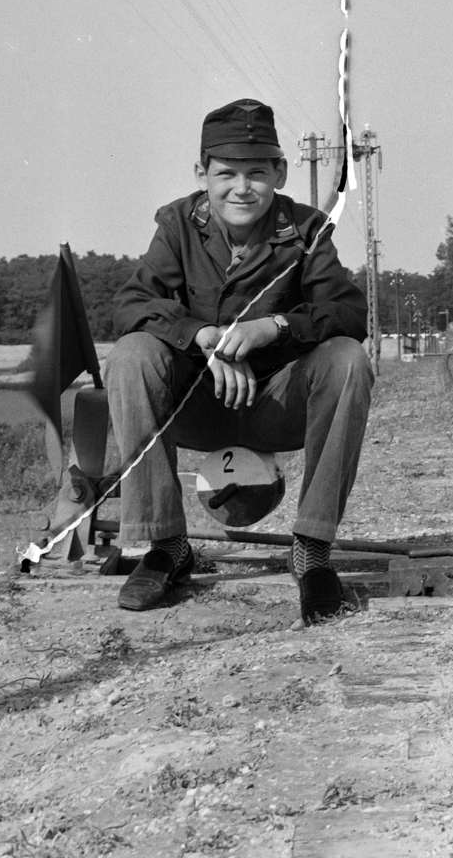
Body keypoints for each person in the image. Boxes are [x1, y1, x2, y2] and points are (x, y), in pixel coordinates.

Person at [105, 99, 372, 621]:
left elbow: (348, 313)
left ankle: (313, 549)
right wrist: (203, 336)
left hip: (277, 404)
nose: (241, 188)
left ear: (280, 172)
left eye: (256, 173)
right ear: (202, 174)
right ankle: (166, 547)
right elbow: (131, 305)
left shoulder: (307, 228)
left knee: (348, 360)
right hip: (198, 406)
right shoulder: (179, 224)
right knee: (131, 354)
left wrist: (270, 328)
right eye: (225, 173)